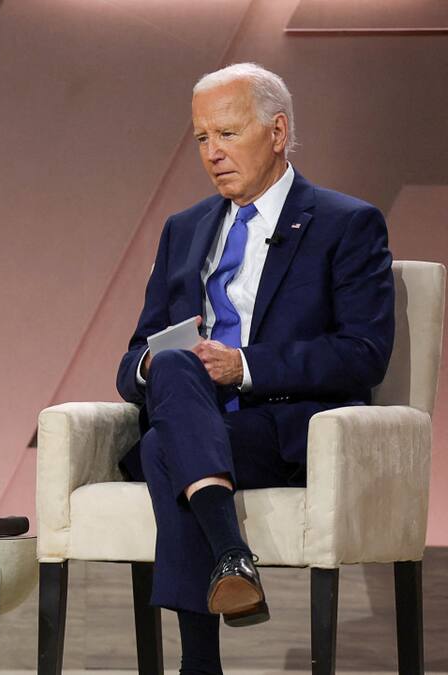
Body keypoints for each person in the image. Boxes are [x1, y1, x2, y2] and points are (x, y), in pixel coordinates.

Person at [115, 63, 393, 673]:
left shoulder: (346, 224)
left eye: (228, 134)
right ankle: (232, 556)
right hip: (199, 415)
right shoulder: (184, 230)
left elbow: (363, 353)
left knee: (167, 448)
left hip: (280, 429)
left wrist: (242, 365)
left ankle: (200, 663)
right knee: (169, 371)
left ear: (276, 130)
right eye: (202, 139)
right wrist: (157, 366)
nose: (212, 154)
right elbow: (133, 355)